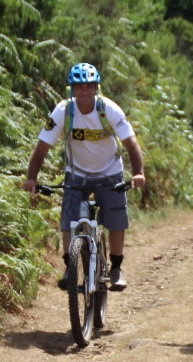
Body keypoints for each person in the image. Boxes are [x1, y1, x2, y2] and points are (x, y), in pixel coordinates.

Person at [23, 62, 146, 291]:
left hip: (109, 172)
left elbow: (131, 143)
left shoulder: (109, 109)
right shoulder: (63, 111)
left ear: (97, 87)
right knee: (69, 220)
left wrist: (138, 173)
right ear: (72, 89)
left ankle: (116, 267)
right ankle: (70, 267)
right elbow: (42, 147)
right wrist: (32, 177)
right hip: (76, 174)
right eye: (80, 87)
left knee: (116, 218)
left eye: (90, 86)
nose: (85, 91)